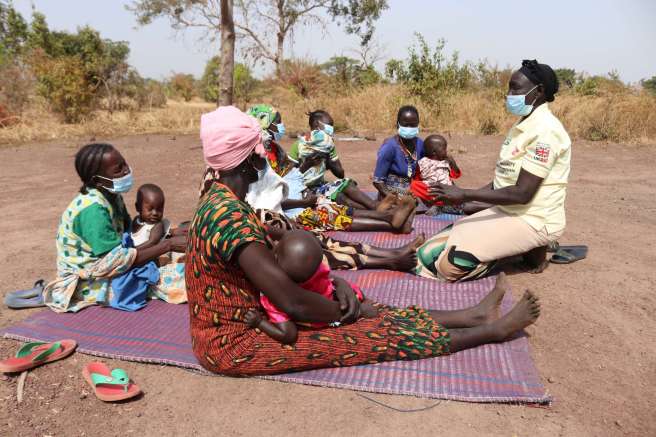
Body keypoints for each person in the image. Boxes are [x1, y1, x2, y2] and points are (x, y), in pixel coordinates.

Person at [185, 105, 543, 376]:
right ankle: (492, 331)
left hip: (257, 312)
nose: (264, 156)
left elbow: (279, 275)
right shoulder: (228, 215)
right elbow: (292, 302)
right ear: (249, 160)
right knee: (372, 336)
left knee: (367, 309)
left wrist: (331, 284)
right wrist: (340, 314)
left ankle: (470, 315)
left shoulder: (222, 201)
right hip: (235, 341)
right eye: (258, 152)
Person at [417, 59, 571, 281]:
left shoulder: (546, 132)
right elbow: (503, 180)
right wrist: (463, 202)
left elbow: (522, 193)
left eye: (515, 87)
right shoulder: (522, 125)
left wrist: (465, 194)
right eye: (510, 87)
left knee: (448, 268)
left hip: (533, 219)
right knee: (430, 250)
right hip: (509, 211)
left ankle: (521, 251)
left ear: (538, 91)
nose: (509, 93)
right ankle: (520, 250)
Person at [42, 143, 188, 313]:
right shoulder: (93, 211)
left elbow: (130, 232)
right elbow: (114, 262)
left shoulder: (110, 196)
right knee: (177, 277)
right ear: (97, 180)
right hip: (90, 282)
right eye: (118, 169)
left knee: (177, 255)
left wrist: (167, 233)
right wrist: (166, 245)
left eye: (124, 164)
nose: (126, 171)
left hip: (117, 263)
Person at [244, 104, 416, 233]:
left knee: (337, 207)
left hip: (300, 197)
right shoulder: (257, 159)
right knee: (334, 213)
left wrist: (324, 160)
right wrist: (304, 199)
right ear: (265, 124)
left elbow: (294, 177)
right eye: (278, 122)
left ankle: (390, 217)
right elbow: (268, 199)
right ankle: (390, 220)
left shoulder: (275, 150)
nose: (282, 126)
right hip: (285, 210)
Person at [244, 230, 377, 345]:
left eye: (278, 244)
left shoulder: (275, 295)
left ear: (276, 256)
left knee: (343, 310)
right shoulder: (315, 270)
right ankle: (361, 302)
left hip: (321, 317)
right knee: (340, 290)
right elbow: (331, 279)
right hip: (333, 295)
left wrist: (260, 322)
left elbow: (288, 335)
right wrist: (342, 283)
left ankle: (358, 312)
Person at [373, 105, 425, 198]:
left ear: (418, 124)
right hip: (392, 189)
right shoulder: (390, 147)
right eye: (405, 124)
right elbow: (378, 182)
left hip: (413, 187)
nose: (409, 128)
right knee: (407, 202)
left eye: (413, 125)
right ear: (398, 124)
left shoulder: (420, 144)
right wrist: (392, 198)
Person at [410, 134, 464, 215]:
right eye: (444, 149)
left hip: (445, 190)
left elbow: (456, 175)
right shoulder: (422, 162)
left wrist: (452, 162)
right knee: (413, 184)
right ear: (434, 152)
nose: (446, 151)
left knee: (412, 185)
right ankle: (439, 206)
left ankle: (437, 206)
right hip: (435, 191)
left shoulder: (446, 162)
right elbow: (418, 178)